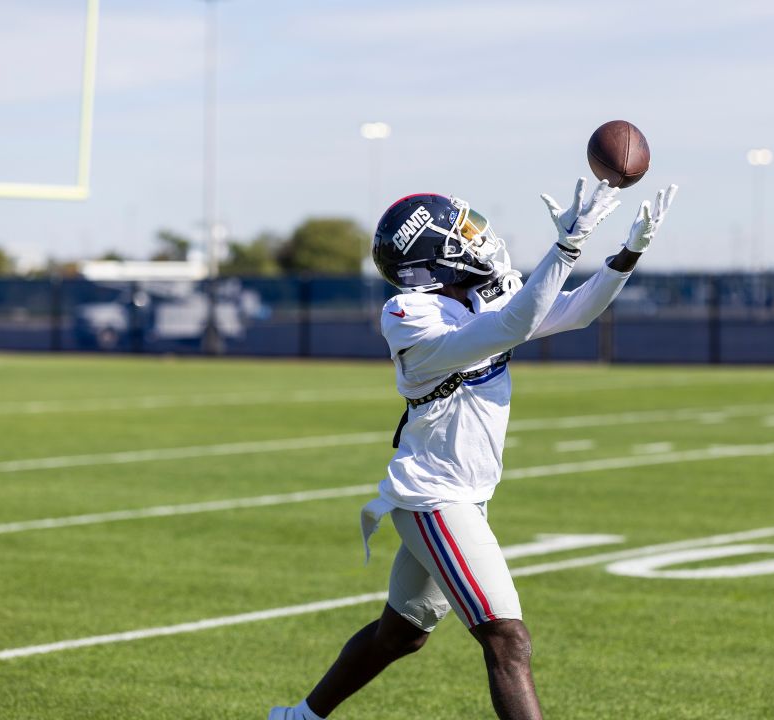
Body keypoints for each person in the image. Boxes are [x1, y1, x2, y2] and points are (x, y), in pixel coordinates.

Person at [269, 177, 677, 720]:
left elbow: (573, 311)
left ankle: (297, 718)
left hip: (465, 492)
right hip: (434, 498)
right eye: (461, 231)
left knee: (401, 635)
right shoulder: (408, 314)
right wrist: (566, 248)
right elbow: (515, 323)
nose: (478, 236)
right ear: (434, 257)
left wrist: (627, 254)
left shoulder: (481, 294)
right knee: (507, 638)